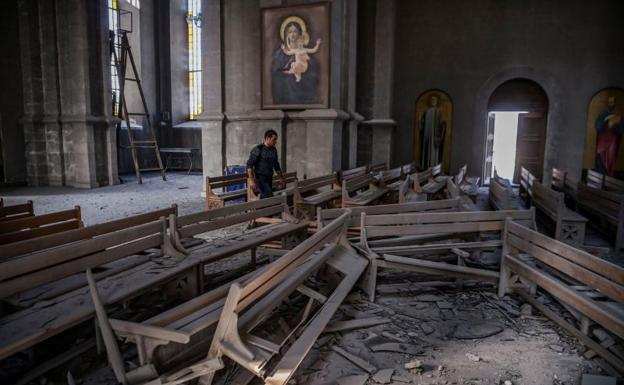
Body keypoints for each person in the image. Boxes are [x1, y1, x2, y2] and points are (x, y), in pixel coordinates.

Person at [271, 20, 319, 105]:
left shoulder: (304, 50)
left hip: (301, 86)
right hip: (285, 86)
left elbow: (313, 69)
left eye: (295, 32)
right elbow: (275, 71)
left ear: (299, 34)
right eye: (290, 32)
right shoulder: (280, 53)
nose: (292, 35)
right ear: (286, 35)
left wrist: (308, 62)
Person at [247, 129, 285, 198]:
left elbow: (276, 166)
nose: (276, 141)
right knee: (269, 196)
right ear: (267, 138)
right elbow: (249, 165)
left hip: (269, 177)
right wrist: (251, 180)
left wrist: (281, 178)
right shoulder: (258, 149)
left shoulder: (273, 150)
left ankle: (259, 208)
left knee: (265, 198)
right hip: (260, 178)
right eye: (274, 139)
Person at [595, 96, 623, 177]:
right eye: (610, 102)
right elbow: (597, 126)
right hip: (603, 139)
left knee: (611, 157)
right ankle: (599, 174)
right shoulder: (603, 114)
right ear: (608, 103)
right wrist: (607, 123)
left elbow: (621, 129)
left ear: (615, 104)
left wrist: (615, 124)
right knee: (600, 154)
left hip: (613, 140)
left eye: (613, 102)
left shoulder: (618, 115)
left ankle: (608, 175)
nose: (611, 104)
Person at [420, 94, 446, 169]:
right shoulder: (426, 111)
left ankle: (433, 167)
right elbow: (422, 123)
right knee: (426, 150)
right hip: (426, 135)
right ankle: (425, 166)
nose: (433, 101)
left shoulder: (439, 112)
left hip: (435, 135)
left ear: (437, 102)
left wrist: (440, 135)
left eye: (434, 100)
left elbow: (443, 123)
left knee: (434, 152)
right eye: (432, 100)